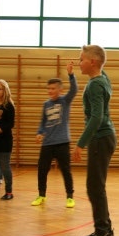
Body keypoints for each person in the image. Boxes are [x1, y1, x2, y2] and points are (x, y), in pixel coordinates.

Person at [73, 45, 117, 236]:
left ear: (92, 62)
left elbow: (97, 117)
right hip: (105, 138)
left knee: (95, 187)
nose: (78, 63)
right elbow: (101, 66)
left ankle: (102, 234)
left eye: (81, 59)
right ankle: (105, 230)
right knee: (96, 186)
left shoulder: (95, 85)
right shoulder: (103, 79)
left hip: (100, 139)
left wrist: (80, 144)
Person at [31, 62, 78, 207]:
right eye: (48, 88)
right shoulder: (46, 104)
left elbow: (74, 90)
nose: (50, 91)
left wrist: (71, 74)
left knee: (66, 170)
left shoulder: (65, 101)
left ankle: (70, 197)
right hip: (48, 143)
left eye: (53, 88)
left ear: (60, 89)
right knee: (42, 170)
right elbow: (43, 122)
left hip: (62, 142)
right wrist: (40, 133)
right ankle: (41, 195)